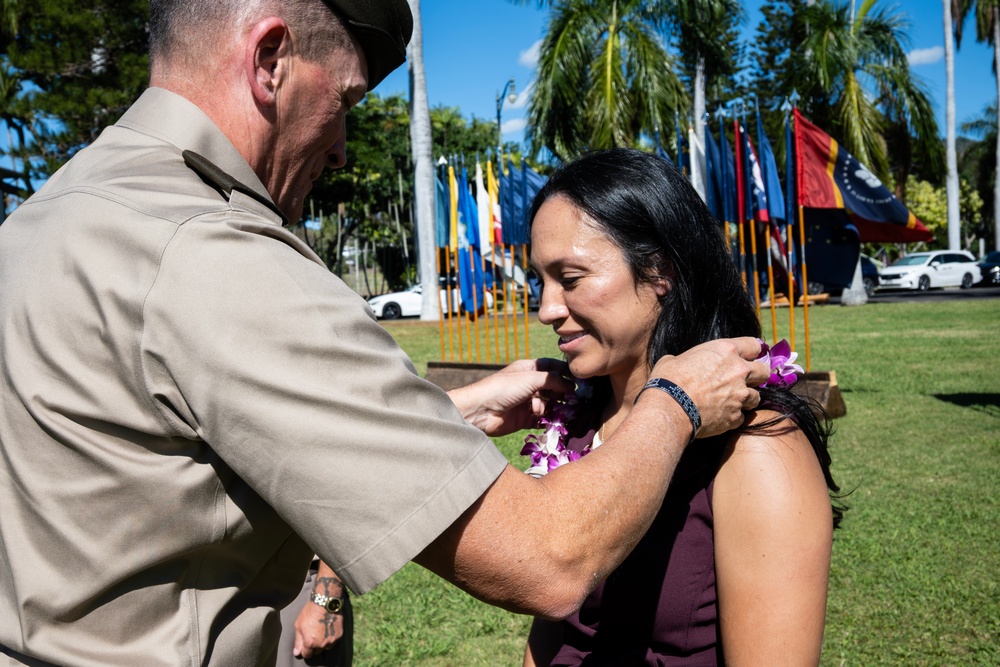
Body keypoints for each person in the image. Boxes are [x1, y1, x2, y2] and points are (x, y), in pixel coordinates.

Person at [0, 2, 771, 665]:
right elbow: (549, 558)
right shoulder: (213, 255)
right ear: (270, 58)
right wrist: (678, 397)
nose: (340, 147)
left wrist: (456, 409)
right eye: (346, 101)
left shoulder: (43, 222)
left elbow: (184, 456)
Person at [522, 148, 844, 666]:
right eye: (540, 280)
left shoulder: (756, 449)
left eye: (572, 278)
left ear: (659, 271)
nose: (546, 309)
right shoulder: (578, 424)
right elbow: (549, 635)